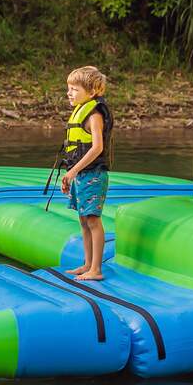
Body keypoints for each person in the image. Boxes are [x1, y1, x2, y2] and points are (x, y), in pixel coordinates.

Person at [59, 66, 113, 281]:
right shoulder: (81, 111)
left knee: (93, 220)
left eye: (74, 89)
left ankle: (96, 270)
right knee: (83, 220)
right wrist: (69, 175)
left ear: (91, 93)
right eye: (69, 89)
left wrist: (73, 171)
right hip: (81, 174)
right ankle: (87, 264)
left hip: (93, 174)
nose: (69, 93)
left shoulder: (94, 115)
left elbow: (97, 147)